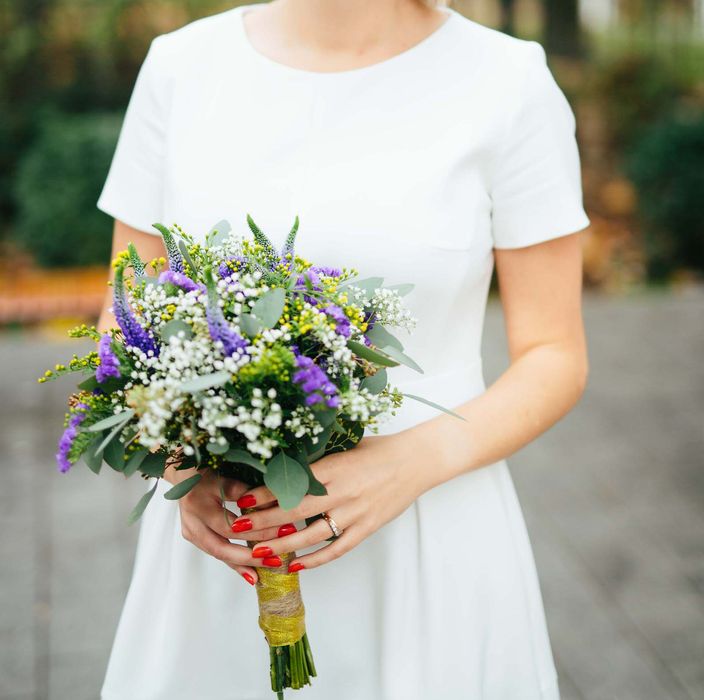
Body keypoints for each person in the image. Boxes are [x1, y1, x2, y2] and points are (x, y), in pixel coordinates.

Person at [95, 1, 591, 698]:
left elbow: (554, 353)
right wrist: (180, 459)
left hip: (429, 529)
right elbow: (126, 316)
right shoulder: (180, 67)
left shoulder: (509, 82)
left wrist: (409, 464)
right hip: (226, 536)